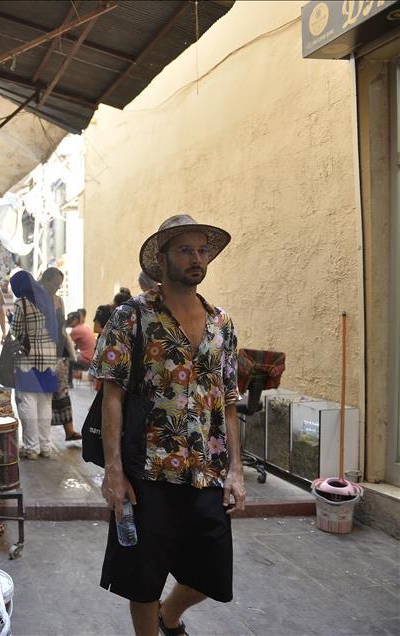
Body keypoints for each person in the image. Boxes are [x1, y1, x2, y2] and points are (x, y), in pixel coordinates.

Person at [90, 214, 243, 636]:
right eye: (185, 250)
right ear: (162, 257)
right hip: (148, 469)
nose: (197, 258)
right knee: (142, 576)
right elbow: (112, 396)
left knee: (212, 570)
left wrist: (235, 470)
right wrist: (114, 470)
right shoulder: (132, 317)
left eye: (202, 250)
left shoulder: (221, 324)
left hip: (206, 471)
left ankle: (169, 615)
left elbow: (228, 401)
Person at [9, 271, 59, 459]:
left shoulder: (21, 303)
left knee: (28, 401)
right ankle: (45, 445)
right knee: (45, 402)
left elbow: (16, 331)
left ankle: (31, 448)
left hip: (27, 359)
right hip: (49, 357)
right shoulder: (47, 299)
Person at [38, 267, 82, 441]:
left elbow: (61, 327)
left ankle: (69, 430)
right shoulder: (35, 299)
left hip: (60, 351)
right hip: (42, 352)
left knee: (61, 390)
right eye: (54, 283)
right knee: (44, 394)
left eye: (59, 284)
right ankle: (43, 436)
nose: (56, 287)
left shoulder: (59, 301)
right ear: (45, 281)